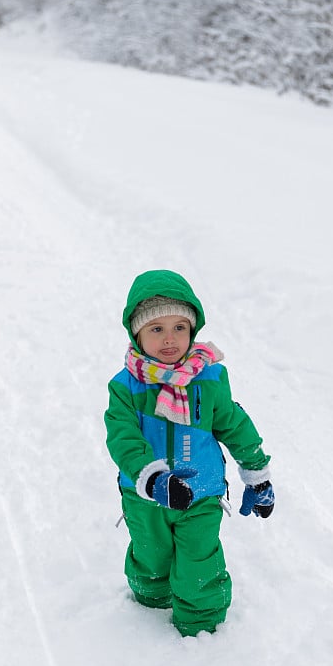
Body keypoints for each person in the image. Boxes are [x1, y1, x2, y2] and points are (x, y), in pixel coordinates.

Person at [104, 269, 274, 637]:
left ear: (193, 330)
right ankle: (150, 603)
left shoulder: (209, 378)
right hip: (144, 496)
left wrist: (257, 473)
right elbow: (123, 439)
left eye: (179, 328)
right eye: (156, 329)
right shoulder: (124, 387)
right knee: (152, 557)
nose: (169, 339)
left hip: (201, 492)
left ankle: (201, 627)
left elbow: (233, 423)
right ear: (136, 334)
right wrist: (151, 478)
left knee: (200, 561)